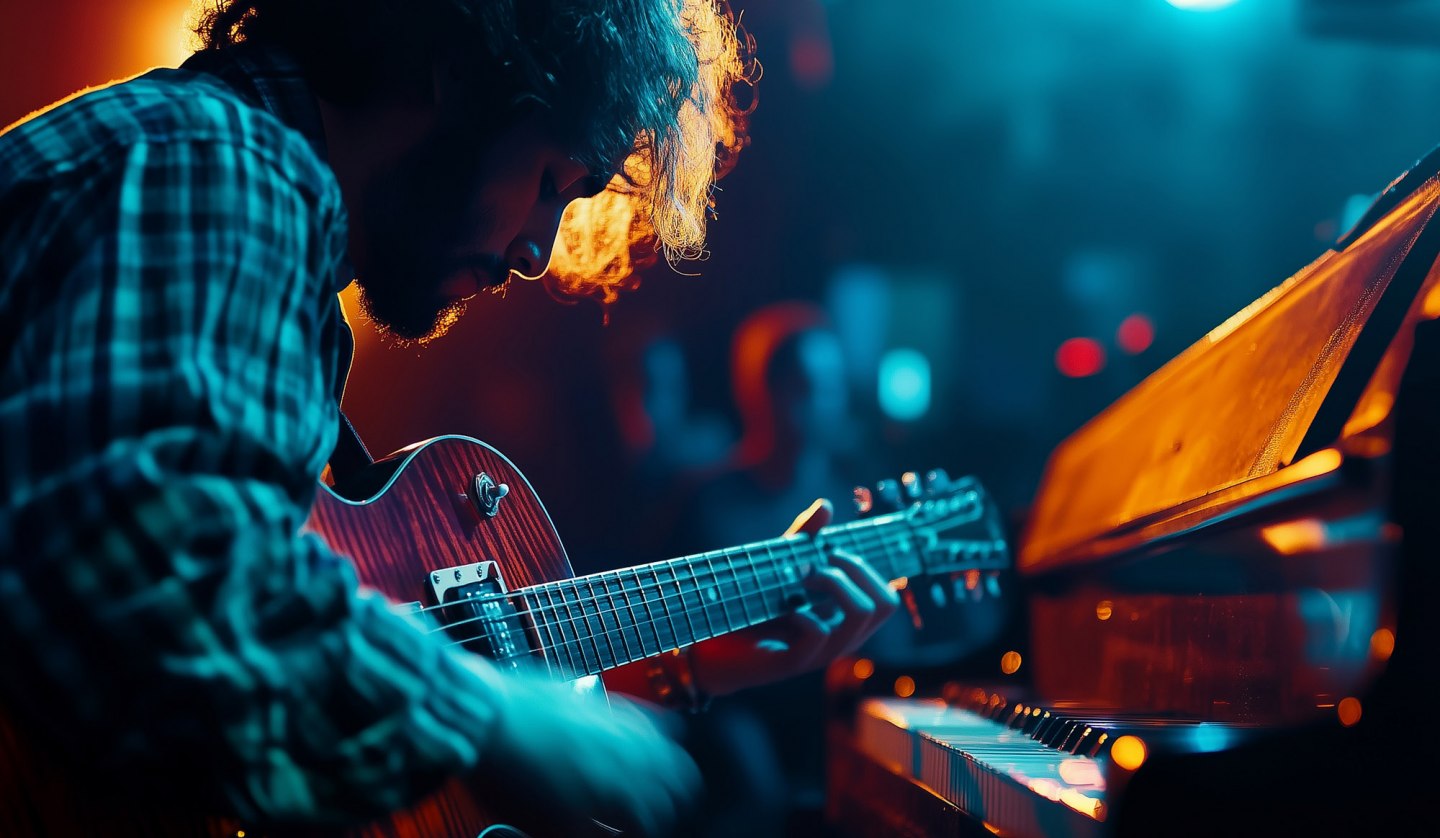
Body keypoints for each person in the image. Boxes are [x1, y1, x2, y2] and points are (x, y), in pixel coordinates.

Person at [0, 2, 899, 836]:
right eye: (552, 179)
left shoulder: (245, 204)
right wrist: (483, 717)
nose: (538, 252)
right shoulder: (218, 161)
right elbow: (157, 574)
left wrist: (692, 662)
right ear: (462, 73)